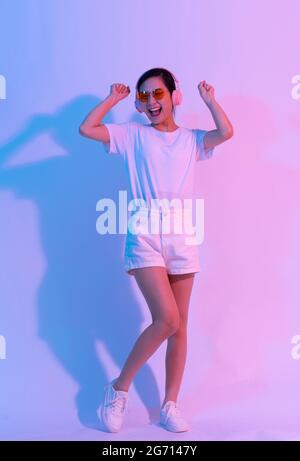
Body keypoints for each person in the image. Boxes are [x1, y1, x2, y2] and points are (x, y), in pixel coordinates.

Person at [79, 67, 234, 432]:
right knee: (167, 319)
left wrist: (211, 100)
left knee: (180, 327)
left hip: (182, 235)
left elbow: (226, 132)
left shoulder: (191, 140)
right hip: (145, 231)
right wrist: (113, 99)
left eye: (158, 94)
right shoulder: (132, 135)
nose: (151, 102)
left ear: (173, 96)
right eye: (144, 95)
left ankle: (170, 405)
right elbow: (86, 129)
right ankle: (118, 388)